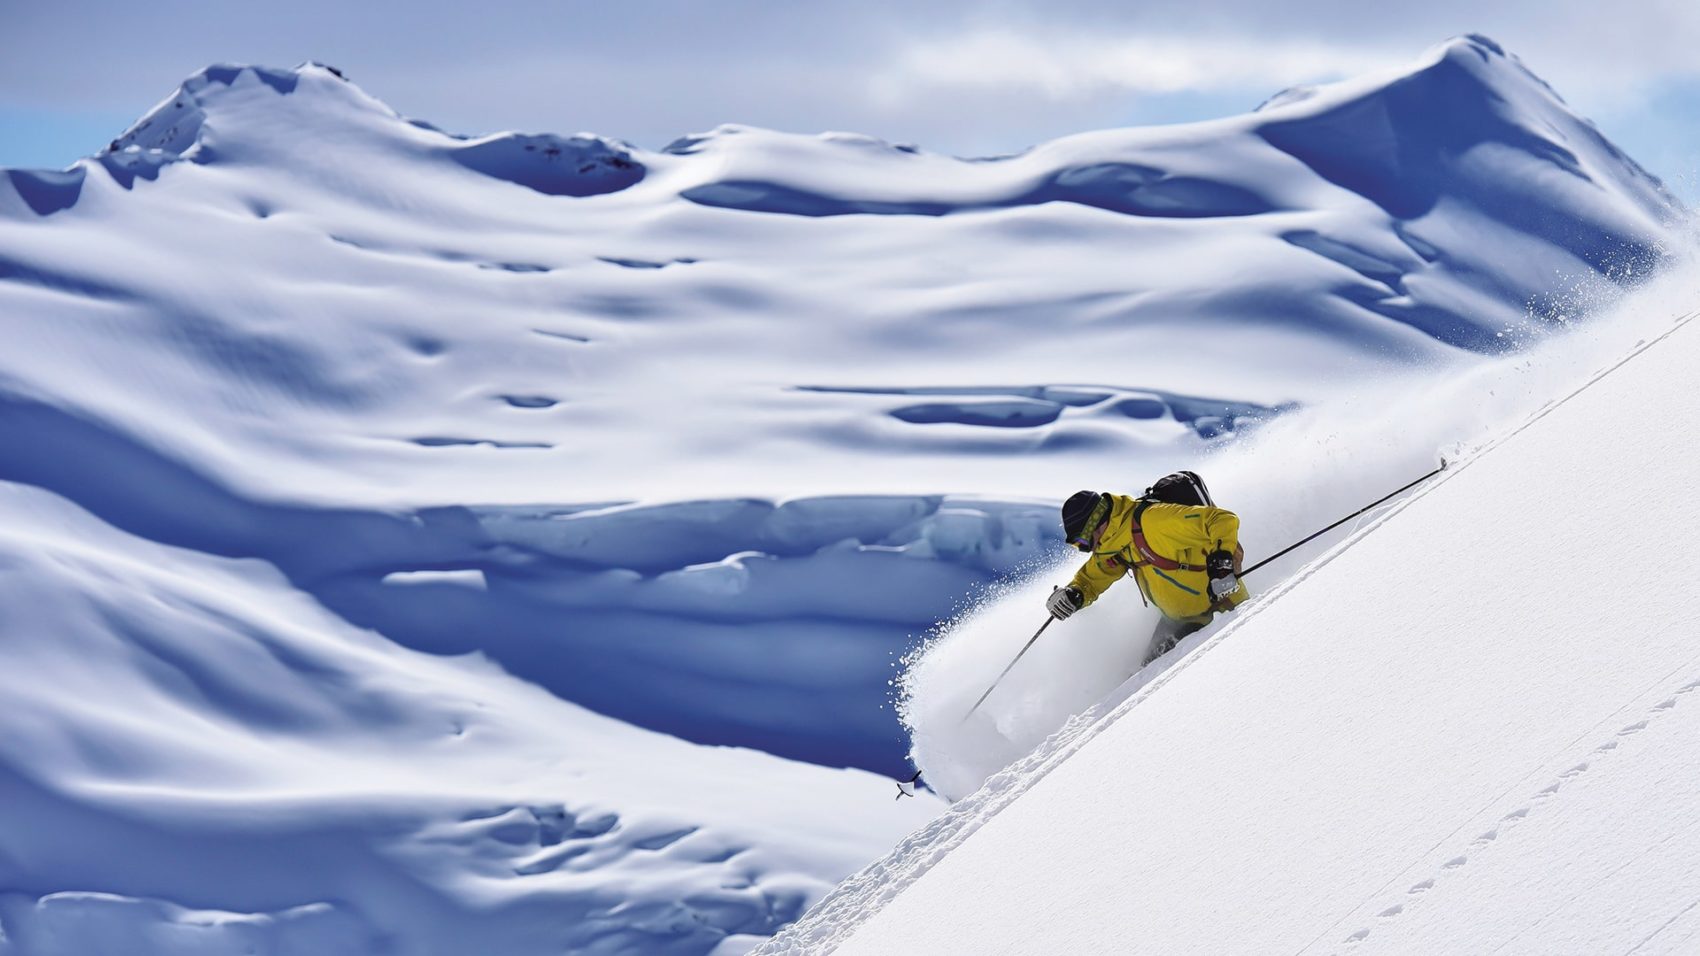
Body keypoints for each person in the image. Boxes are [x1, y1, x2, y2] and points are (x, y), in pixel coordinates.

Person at [1046, 474, 1248, 664]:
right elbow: (1093, 578)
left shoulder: (1154, 521)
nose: (1085, 549)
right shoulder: (1113, 544)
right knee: (1140, 682)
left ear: (1096, 525)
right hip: (1177, 622)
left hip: (1221, 610)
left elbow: (1221, 520)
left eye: (1082, 542)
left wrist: (1221, 561)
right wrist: (1074, 593)